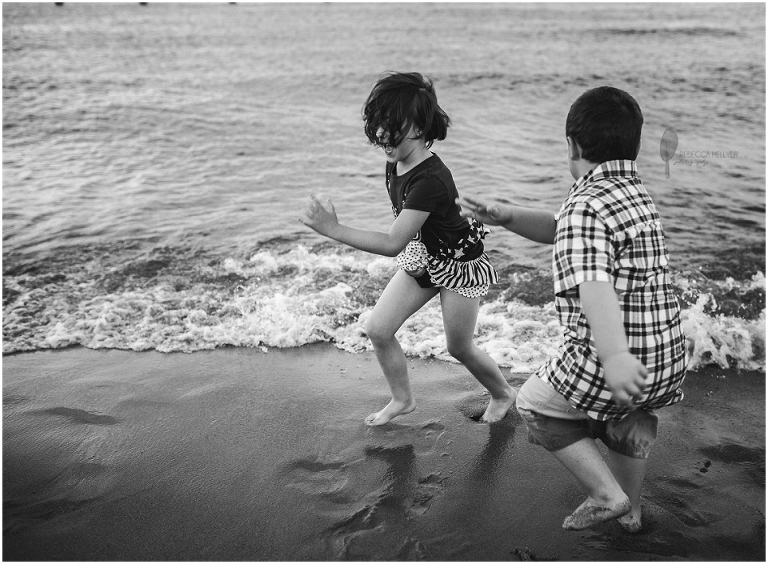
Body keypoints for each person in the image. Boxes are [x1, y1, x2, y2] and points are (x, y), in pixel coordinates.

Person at [458, 86, 687, 533]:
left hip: (614, 357)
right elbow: (561, 227)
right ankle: (632, 512)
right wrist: (508, 216)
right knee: (629, 420)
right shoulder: (632, 193)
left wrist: (615, 356)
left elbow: (593, 283)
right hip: (663, 359)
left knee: (537, 404)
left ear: (572, 146)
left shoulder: (585, 204)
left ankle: (605, 495)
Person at [299, 71, 516, 427]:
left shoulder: (430, 180)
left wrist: (333, 229)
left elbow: (391, 242)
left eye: (390, 125)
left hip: (460, 265)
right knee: (378, 329)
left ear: (417, 127)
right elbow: (407, 229)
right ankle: (402, 399)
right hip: (425, 258)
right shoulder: (395, 161)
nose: (381, 134)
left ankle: (503, 392)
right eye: (377, 123)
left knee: (458, 347)